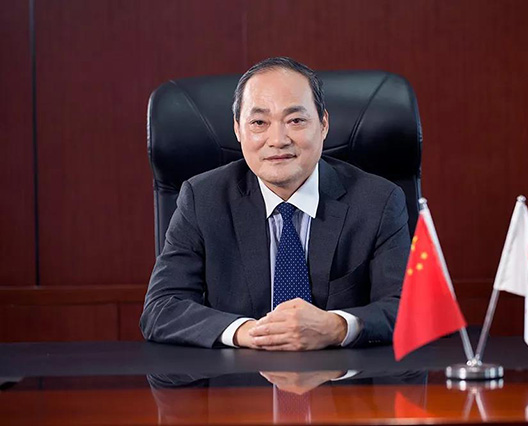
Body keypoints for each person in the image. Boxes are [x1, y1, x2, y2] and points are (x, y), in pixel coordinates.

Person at [140, 57, 410, 350]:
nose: (278, 140)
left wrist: (337, 327)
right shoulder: (202, 199)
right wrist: (250, 332)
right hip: (237, 375)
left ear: (323, 125)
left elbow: (407, 308)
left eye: (296, 121)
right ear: (238, 130)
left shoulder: (378, 201)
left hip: (345, 374)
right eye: (259, 123)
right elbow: (161, 308)